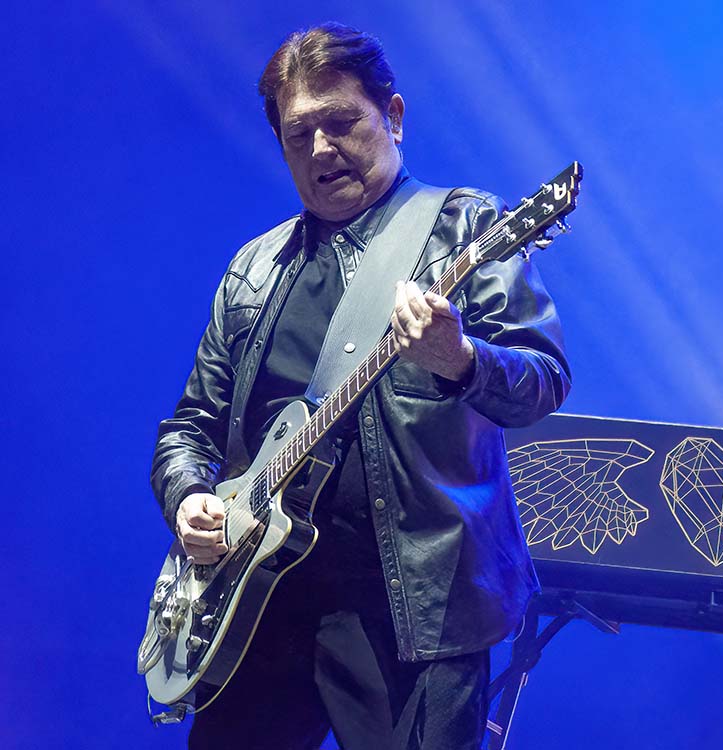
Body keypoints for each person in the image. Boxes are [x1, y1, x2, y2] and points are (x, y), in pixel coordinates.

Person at [150, 22, 571, 750]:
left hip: (411, 613)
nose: (321, 149)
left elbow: (543, 378)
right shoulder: (253, 269)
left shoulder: (463, 228)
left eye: (341, 122)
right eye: (298, 135)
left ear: (393, 116)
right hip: (257, 606)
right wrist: (188, 497)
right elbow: (189, 428)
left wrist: (459, 357)